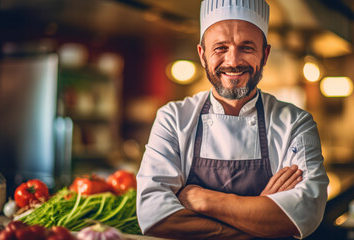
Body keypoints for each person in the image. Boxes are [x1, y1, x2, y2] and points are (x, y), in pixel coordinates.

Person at [136, 0, 329, 239]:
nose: (233, 61)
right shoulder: (173, 119)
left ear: (265, 54)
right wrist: (260, 220)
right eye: (220, 48)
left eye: (247, 47)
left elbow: (306, 213)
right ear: (202, 55)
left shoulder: (295, 123)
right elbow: (153, 215)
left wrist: (203, 199)